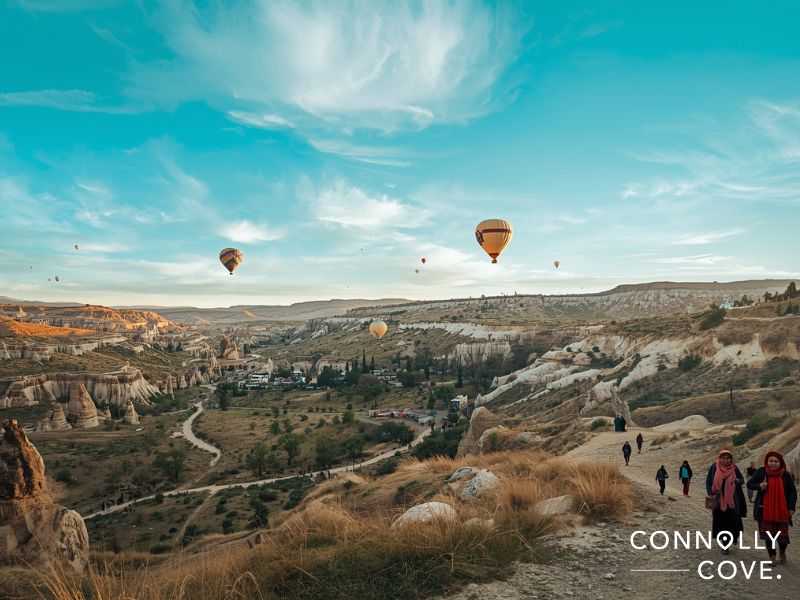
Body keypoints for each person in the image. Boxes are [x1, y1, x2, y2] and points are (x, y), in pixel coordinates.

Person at [747, 450, 797, 565]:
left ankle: (782, 551)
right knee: (768, 536)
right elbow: (750, 484)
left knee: (782, 536)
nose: (773, 463)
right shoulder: (761, 472)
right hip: (764, 510)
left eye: (776, 461)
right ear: (767, 461)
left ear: (780, 463)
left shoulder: (785, 475)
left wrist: (792, 508)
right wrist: (759, 486)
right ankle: (772, 556)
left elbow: (792, 492)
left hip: (782, 510)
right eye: (770, 461)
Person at [706, 450, 745, 555]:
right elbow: (708, 481)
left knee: (733, 523)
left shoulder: (734, 468)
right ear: (720, 459)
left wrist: (737, 481)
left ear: (731, 459)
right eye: (723, 458)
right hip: (718, 501)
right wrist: (711, 493)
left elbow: (742, 480)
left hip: (732, 501)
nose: (725, 460)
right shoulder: (714, 467)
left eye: (728, 458)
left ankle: (733, 537)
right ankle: (725, 545)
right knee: (721, 524)